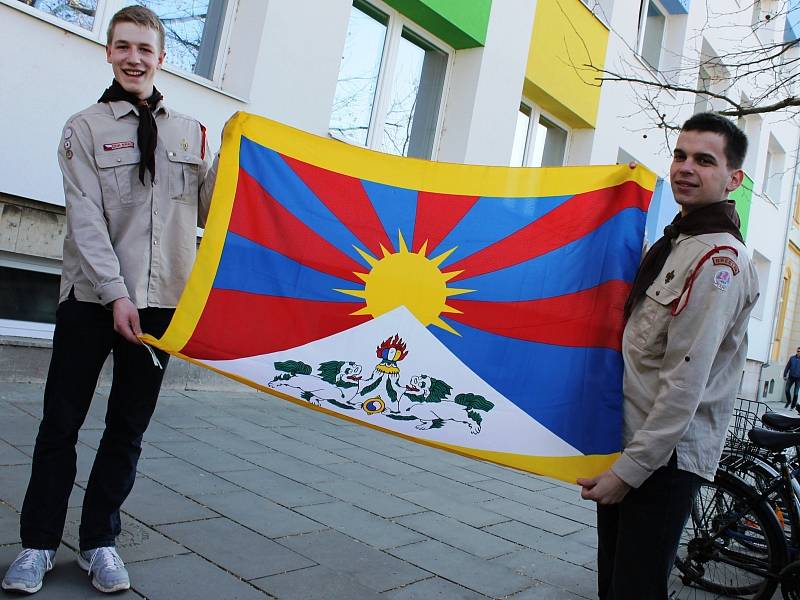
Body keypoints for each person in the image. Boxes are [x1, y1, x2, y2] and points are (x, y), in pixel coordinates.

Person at [2, 6, 216, 595]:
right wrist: (117, 294)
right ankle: (38, 544)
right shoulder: (83, 128)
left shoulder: (193, 134)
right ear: (108, 52)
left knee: (127, 429)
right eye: (123, 46)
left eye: (144, 48)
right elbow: (87, 219)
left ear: (162, 57)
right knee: (60, 424)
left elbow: (215, 214)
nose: (134, 58)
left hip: (161, 304)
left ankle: (100, 542)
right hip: (91, 299)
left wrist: (251, 161)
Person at [576, 112, 760, 600]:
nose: (685, 167)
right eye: (680, 155)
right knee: (615, 582)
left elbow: (684, 383)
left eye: (704, 160)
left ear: (733, 178)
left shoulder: (719, 261)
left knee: (634, 589)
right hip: (633, 441)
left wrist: (628, 472)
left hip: (663, 460)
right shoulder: (677, 243)